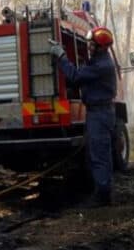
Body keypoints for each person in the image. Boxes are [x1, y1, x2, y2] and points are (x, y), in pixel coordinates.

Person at [49, 27, 117, 205]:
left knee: (99, 155)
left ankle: (103, 197)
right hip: (99, 113)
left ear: (101, 47)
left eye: (91, 44)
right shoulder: (98, 61)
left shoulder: (102, 66)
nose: (89, 47)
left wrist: (61, 56)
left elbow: (75, 76)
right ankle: (102, 192)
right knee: (99, 154)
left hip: (99, 114)